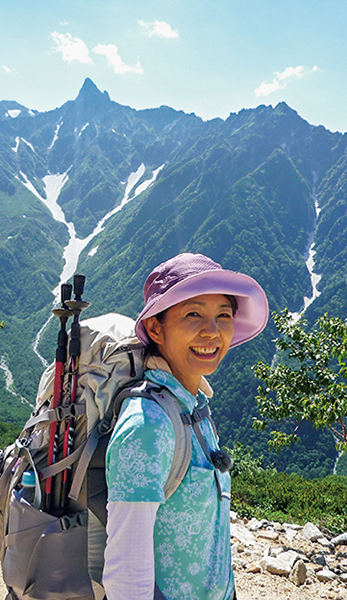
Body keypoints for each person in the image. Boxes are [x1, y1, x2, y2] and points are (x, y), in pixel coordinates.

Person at [103, 253, 269, 600]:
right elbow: (125, 574)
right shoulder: (147, 427)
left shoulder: (193, 408)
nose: (212, 331)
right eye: (193, 314)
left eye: (223, 315)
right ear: (155, 328)